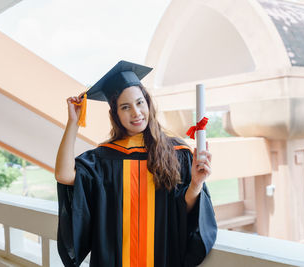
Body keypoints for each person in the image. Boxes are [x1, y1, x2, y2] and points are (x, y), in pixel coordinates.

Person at [55, 60, 217, 267]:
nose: (136, 113)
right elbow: (64, 175)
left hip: (162, 259)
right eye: (125, 107)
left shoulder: (177, 152)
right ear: (115, 114)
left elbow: (184, 212)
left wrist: (196, 184)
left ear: (148, 103)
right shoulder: (105, 158)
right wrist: (72, 123)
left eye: (140, 102)